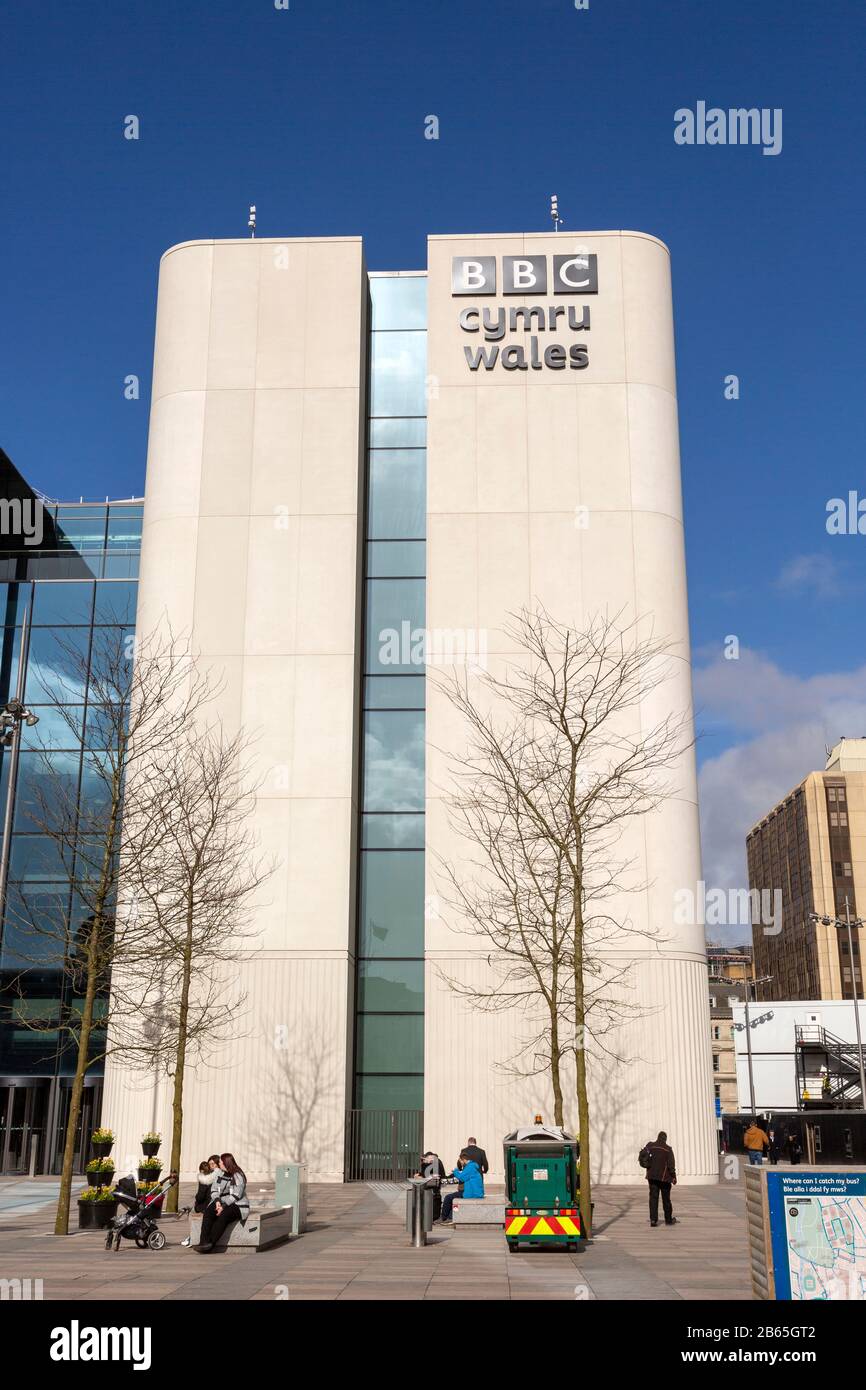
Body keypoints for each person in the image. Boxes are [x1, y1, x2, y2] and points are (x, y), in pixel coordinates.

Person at [196, 1153, 249, 1252]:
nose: (219, 1164)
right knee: (208, 1212)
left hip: (238, 1204)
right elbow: (214, 1189)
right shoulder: (220, 1174)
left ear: (226, 1163)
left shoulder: (237, 1175)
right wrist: (217, 1201)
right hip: (221, 1202)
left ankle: (210, 1243)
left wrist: (223, 1206)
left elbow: (236, 1195)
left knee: (223, 1215)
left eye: (220, 1162)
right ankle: (203, 1242)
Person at [638, 1131, 677, 1227]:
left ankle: (653, 1220)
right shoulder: (668, 1149)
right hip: (664, 1178)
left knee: (653, 1198)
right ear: (665, 1139)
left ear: (658, 1137)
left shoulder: (650, 1146)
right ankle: (668, 1220)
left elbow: (644, 1155)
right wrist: (674, 1176)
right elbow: (671, 1165)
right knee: (666, 1199)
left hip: (652, 1177)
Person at [181, 1159, 222, 1247]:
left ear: (201, 1171)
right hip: (215, 1202)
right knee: (192, 1207)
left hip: (206, 1205)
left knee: (191, 1212)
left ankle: (192, 1236)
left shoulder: (204, 1178)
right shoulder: (218, 1175)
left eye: (213, 1164)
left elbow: (200, 1196)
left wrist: (196, 1200)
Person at [440, 1150, 484, 1224]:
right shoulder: (472, 1166)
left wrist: (455, 1170)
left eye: (460, 1161)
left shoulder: (470, 1167)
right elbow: (465, 1176)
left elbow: (462, 1177)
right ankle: (451, 1217)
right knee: (453, 1197)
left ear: (463, 1160)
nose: (460, 1162)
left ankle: (443, 1218)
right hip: (474, 1192)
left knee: (448, 1197)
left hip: (472, 1193)